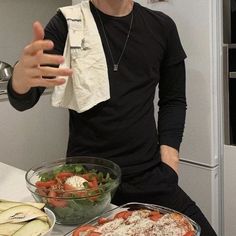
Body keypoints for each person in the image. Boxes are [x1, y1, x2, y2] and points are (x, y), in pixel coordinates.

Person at [7, 0, 217, 235]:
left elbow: (173, 100)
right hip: (85, 185)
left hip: (149, 176)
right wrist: (21, 78)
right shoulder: (69, 23)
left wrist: (170, 163)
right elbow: (24, 99)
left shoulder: (162, 26)